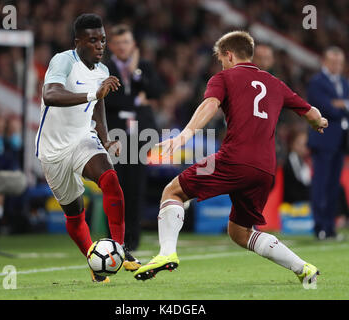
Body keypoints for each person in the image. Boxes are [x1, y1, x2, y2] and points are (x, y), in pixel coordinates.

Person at [134, 31, 328, 288]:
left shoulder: (224, 77)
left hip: (234, 159)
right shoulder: (275, 83)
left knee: (173, 191)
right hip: (266, 169)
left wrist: (184, 136)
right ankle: (303, 268)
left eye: (221, 59)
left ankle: (166, 252)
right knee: (240, 231)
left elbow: (209, 105)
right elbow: (313, 115)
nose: (221, 64)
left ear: (229, 54)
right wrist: (320, 122)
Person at [35, 13, 139, 283]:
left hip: (83, 139)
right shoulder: (63, 60)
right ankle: (95, 263)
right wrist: (94, 94)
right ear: (78, 41)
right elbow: (50, 95)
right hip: (53, 149)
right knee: (74, 212)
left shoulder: (102, 71)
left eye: (102, 40)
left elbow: (98, 107)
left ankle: (119, 249)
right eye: (93, 41)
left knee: (110, 180)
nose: (100, 46)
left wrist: (105, 140)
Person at [104, 24, 162, 252]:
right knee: (115, 186)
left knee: (136, 187)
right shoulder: (104, 68)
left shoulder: (144, 66)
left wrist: (136, 73)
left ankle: (133, 240)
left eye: (126, 42)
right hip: (114, 134)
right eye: (117, 43)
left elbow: (156, 91)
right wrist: (137, 100)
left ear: (133, 45)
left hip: (140, 134)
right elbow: (107, 100)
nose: (122, 47)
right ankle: (114, 238)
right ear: (111, 46)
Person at [307, 47, 349, 240]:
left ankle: (330, 228)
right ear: (324, 61)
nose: (337, 66)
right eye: (333, 62)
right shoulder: (317, 82)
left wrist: (343, 104)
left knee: (333, 186)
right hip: (323, 139)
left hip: (340, 141)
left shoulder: (344, 82)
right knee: (321, 185)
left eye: (340, 62)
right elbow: (325, 109)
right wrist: (348, 104)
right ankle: (319, 227)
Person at [283, 130, 311, 204]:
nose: (303, 147)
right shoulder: (287, 165)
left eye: (306, 144)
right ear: (292, 144)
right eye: (300, 144)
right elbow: (291, 190)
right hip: (292, 206)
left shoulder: (309, 161)